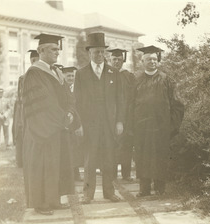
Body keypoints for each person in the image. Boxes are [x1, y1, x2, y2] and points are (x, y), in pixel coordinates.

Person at [22, 33, 81, 215]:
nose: (57, 52)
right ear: (41, 51)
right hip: (42, 130)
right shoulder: (34, 73)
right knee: (43, 166)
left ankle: (53, 200)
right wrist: (64, 118)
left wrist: (71, 113)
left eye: (58, 49)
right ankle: (41, 204)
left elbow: (69, 97)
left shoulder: (56, 71)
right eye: (53, 49)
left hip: (57, 127)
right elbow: (44, 103)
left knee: (56, 164)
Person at [74, 32, 125, 204]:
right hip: (89, 125)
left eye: (102, 52)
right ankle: (88, 195)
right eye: (96, 52)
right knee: (89, 160)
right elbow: (77, 101)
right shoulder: (81, 74)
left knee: (109, 159)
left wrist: (119, 121)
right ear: (89, 53)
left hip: (109, 124)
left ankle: (109, 192)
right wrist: (79, 124)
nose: (100, 55)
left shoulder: (113, 73)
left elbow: (120, 99)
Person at [133, 45, 184, 197]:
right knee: (142, 156)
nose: (152, 62)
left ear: (159, 61)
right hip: (141, 127)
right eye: (148, 59)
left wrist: (172, 126)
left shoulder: (167, 80)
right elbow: (129, 104)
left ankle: (160, 188)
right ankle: (144, 188)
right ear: (142, 61)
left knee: (160, 156)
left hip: (161, 127)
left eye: (155, 59)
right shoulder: (135, 80)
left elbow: (178, 104)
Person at [108, 48, 135, 182]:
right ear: (110, 60)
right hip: (111, 116)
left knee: (126, 145)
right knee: (111, 145)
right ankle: (111, 174)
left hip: (127, 115)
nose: (117, 62)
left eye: (119, 59)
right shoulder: (106, 75)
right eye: (114, 59)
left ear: (123, 60)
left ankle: (126, 174)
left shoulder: (128, 76)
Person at [12, 50, 39, 168]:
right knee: (23, 133)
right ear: (32, 61)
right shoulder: (23, 78)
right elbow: (20, 96)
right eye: (35, 61)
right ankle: (22, 160)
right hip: (27, 110)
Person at [62, 66, 84, 181]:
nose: (71, 78)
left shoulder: (77, 89)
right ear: (63, 76)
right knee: (68, 149)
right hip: (67, 123)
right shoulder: (61, 88)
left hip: (76, 122)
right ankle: (70, 175)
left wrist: (80, 124)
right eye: (68, 76)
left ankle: (76, 173)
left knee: (76, 148)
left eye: (72, 76)